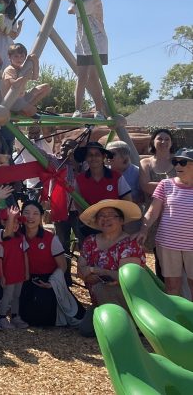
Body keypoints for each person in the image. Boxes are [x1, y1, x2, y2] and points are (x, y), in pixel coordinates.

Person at [77, 199, 145, 337]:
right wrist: (91, 273)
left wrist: (96, 271)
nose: (105, 219)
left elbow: (126, 278)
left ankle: (129, 324)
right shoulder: (90, 241)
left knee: (101, 288)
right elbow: (81, 271)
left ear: (121, 220)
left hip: (127, 299)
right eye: (101, 216)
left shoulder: (130, 244)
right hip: (98, 299)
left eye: (111, 215)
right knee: (86, 329)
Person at [18, 200, 85, 327]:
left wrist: (52, 283)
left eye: (35, 213)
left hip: (47, 279)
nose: (30, 217)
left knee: (44, 315)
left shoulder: (50, 239)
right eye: (26, 213)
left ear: (41, 217)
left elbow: (62, 265)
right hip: (25, 279)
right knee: (24, 315)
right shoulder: (17, 236)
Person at [136, 148, 193, 297]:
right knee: (172, 286)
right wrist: (144, 229)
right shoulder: (165, 185)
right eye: (175, 162)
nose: (178, 166)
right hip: (168, 244)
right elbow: (152, 211)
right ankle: (176, 318)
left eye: (183, 162)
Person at [65, 0, 108, 118]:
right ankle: (77, 109)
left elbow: (73, 10)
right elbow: (70, 8)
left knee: (93, 76)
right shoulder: (80, 0)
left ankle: (99, 110)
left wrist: (74, 3)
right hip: (83, 42)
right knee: (82, 75)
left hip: (96, 41)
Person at [72, 141, 133, 240]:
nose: (93, 158)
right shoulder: (79, 179)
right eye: (90, 155)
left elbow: (127, 201)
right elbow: (77, 202)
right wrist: (89, 220)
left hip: (113, 225)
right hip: (89, 226)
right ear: (86, 158)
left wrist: (119, 221)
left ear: (103, 157)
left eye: (97, 155)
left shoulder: (116, 177)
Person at [0, 205, 30, 329]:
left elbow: (25, 254)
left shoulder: (21, 237)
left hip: (19, 272)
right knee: (7, 295)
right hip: (8, 273)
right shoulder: (1, 237)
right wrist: (2, 275)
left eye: (17, 221)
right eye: (10, 220)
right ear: (2, 222)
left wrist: (26, 271)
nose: (14, 224)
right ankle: (2, 317)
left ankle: (15, 316)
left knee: (17, 295)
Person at [1, 43, 51, 117]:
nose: (19, 59)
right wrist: (25, 76)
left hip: (22, 96)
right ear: (9, 57)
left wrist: (35, 61)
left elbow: (35, 77)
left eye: (22, 56)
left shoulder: (22, 68)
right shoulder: (9, 69)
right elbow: (14, 84)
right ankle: (22, 110)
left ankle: (26, 107)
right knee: (33, 111)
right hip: (12, 100)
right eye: (16, 56)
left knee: (46, 87)